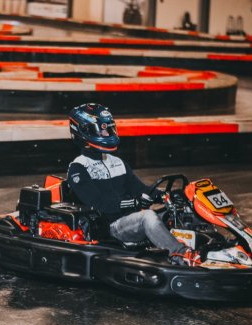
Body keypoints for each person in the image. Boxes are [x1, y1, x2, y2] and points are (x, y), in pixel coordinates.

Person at [66, 103, 201, 266]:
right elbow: (100, 203)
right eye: (102, 130)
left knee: (184, 209)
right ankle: (181, 255)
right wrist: (134, 203)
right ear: (84, 132)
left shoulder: (117, 162)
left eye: (109, 129)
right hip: (111, 227)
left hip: (132, 221)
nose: (108, 133)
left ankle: (212, 248)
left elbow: (141, 190)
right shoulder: (78, 168)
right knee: (148, 217)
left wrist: (167, 195)